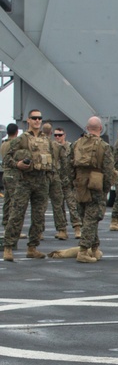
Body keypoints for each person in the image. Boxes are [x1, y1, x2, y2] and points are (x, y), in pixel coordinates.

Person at [3, 109, 53, 261]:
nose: (37, 121)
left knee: (39, 217)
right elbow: (7, 158)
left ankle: (32, 247)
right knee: (17, 215)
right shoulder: (21, 139)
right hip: (24, 181)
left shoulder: (46, 140)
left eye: (39, 118)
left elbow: (53, 161)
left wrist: (50, 178)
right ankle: (8, 247)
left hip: (41, 181)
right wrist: (17, 164)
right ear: (28, 121)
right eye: (34, 118)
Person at [68, 116, 115, 264]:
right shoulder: (104, 146)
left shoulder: (76, 144)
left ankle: (94, 248)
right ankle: (83, 251)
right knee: (91, 219)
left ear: (87, 128)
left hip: (80, 184)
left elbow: (69, 167)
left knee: (86, 218)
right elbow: (108, 171)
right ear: (100, 129)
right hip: (96, 184)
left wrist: (73, 184)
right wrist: (106, 189)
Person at [1, 122, 19, 232]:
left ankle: (6, 221)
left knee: (7, 201)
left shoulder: (3, 144)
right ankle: (12, 229)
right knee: (14, 201)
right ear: (17, 132)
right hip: (13, 173)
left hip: (5, 173)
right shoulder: (14, 144)